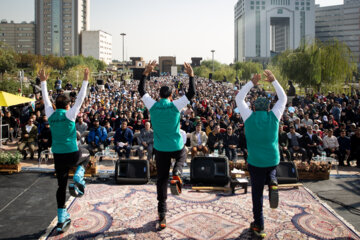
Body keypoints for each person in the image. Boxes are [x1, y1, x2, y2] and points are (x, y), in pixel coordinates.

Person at [138, 60, 195, 230]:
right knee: (182, 154)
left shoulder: (153, 106)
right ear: (171, 96)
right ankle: (177, 172)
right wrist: (191, 75)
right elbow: (191, 93)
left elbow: (141, 90)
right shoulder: (175, 105)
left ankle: (162, 216)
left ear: (159, 96)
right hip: (175, 146)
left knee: (161, 180)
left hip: (160, 148)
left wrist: (145, 73)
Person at [235, 70, 287, 238]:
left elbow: (238, 99)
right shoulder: (274, 116)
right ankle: (272, 181)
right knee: (271, 170)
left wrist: (251, 83)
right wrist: (274, 81)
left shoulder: (248, 116)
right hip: (272, 158)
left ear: (254, 107)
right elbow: (284, 98)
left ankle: (259, 226)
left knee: (256, 195)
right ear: (269, 107)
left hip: (256, 161)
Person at [39, 68, 89, 233]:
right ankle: (78, 176)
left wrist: (43, 81)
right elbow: (81, 98)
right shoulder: (70, 114)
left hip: (58, 156)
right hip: (72, 154)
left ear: (56, 105)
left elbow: (46, 100)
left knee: (61, 186)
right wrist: (85, 79)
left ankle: (61, 218)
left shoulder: (50, 114)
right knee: (87, 154)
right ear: (68, 105)